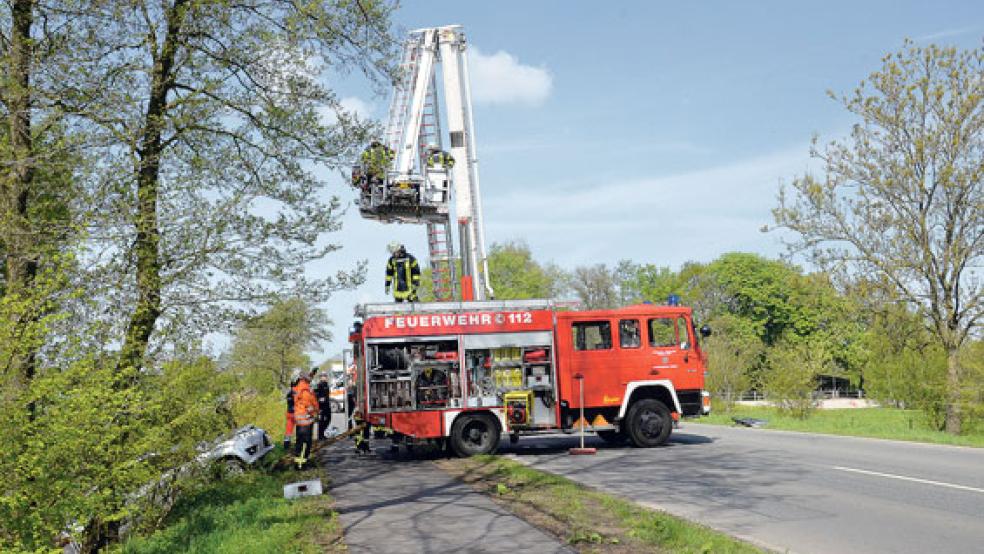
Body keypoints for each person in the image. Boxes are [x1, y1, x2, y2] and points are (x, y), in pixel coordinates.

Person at [291, 369, 320, 469]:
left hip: (301, 420)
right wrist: (315, 413)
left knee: (300, 442)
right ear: (304, 378)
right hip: (306, 420)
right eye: (309, 377)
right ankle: (301, 465)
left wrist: (313, 373)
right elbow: (309, 405)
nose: (311, 378)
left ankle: (299, 463)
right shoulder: (305, 390)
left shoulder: (300, 387)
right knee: (305, 443)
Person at [314, 371, 332, 439]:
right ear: (320, 377)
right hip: (321, 405)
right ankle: (320, 435)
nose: (324, 377)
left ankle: (322, 432)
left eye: (325, 376)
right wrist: (319, 398)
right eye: (323, 376)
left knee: (328, 419)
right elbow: (315, 394)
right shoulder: (319, 385)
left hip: (327, 404)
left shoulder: (326, 384)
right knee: (321, 421)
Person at [283, 375, 298, 450]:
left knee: (288, 431)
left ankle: (286, 445)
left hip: (290, 414)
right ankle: (297, 445)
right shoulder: (295, 394)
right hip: (294, 414)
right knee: (299, 430)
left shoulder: (289, 393)